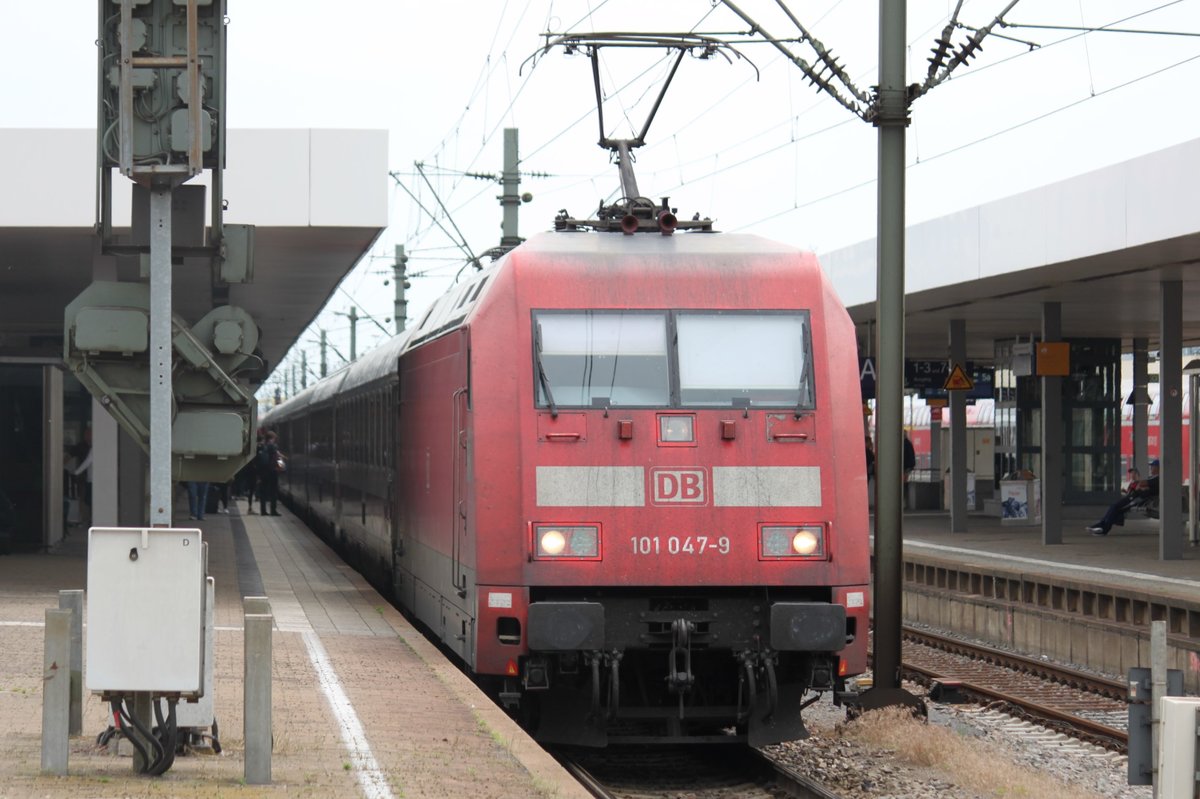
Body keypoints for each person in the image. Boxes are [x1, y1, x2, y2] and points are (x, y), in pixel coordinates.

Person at [1088, 459, 1159, 536]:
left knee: (1116, 507)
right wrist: (1142, 487)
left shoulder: (1157, 478)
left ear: (1158, 468)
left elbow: (1141, 484)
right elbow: (1141, 485)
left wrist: (1141, 486)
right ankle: (1101, 526)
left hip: (1137, 498)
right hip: (1135, 496)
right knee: (1116, 508)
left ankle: (1103, 529)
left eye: (1153, 466)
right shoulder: (1153, 477)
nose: (1151, 468)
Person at [257, 431, 283, 517]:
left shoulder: (262, 446)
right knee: (273, 492)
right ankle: (273, 511)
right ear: (272, 439)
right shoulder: (273, 446)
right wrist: (281, 467)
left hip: (263, 473)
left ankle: (263, 511)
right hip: (273, 472)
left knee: (263, 492)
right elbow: (278, 458)